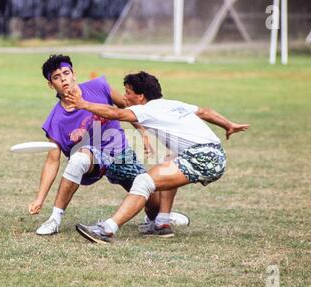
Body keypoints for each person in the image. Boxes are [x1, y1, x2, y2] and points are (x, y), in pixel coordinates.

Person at [63, 71, 250, 243]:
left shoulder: (146, 110)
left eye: (128, 92)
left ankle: (106, 230)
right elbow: (205, 112)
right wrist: (228, 125)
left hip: (202, 157)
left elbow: (116, 113)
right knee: (168, 160)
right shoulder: (173, 104)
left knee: (143, 182)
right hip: (214, 155)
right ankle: (161, 222)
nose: (124, 96)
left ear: (141, 96)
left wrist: (84, 104)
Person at [28, 56, 190, 236]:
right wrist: (40, 198)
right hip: (94, 160)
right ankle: (54, 219)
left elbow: (127, 110)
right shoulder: (55, 120)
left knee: (151, 201)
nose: (63, 78)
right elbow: (52, 161)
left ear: (74, 74)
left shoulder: (99, 86)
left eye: (66, 73)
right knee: (79, 158)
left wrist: (143, 132)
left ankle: (159, 217)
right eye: (56, 77)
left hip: (121, 154)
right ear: (51, 84)